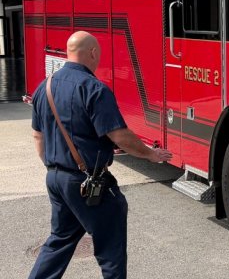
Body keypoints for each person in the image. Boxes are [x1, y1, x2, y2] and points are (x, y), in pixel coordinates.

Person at [29, 31, 172, 279]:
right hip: (87, 183)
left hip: (55, 179)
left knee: (60, 239)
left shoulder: (45, 86)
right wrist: (151, 154)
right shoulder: (94, 88)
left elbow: (38, 137)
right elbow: (120, 136)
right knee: (111, 249)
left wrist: (56, 170)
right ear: (93, 53)